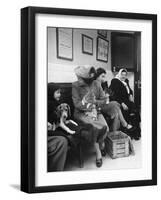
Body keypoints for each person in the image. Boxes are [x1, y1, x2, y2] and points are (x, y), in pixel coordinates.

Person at [72, 66, 108, 168]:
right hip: (81, 113)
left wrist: (94, 106)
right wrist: (88, 107)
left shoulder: (97, 84)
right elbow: (77, 104)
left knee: (106, 128)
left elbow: (104, 100)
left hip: (95, 111)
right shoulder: (75, 85)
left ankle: (101, 144)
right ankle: (98, 154)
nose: (79, 79)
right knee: (95, 128)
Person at [95, 67, 135, 132]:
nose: (103, 79)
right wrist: (105, 97)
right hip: (98, 105)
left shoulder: (102, 84)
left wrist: (107, 94)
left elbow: (109, 92)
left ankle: (115, 133)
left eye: (104, 77)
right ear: (97, 76)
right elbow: (95, 98)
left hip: (105, 103)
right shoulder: (93, 85)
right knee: (115, 104)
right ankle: (124, 124)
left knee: (116, 111)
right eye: (102, 76)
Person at [109, 68, 141, 139]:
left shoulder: (126, 81)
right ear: (119, 74)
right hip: (120, 101)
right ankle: (128, 133)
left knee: (136, 112)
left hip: (127, 101)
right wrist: (122, 103)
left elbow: (130, 90)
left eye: (125, 75)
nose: (123, 76)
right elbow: (114, 95)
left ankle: (135, 133)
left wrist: (131, 95)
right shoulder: (115, 81)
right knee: (129, 112)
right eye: (122, 74)